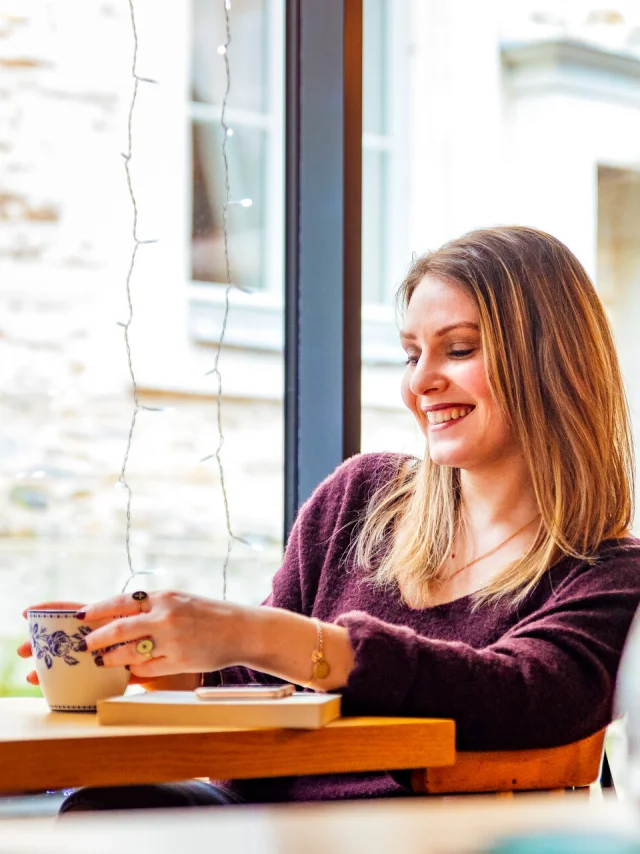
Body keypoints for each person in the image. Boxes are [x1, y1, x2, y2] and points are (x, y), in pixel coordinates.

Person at [19, 225, 640, 810]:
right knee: (107, 808)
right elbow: (257, 682)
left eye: (458, 349)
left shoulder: (610, 577)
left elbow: (522, 695)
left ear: (549, 362)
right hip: (262, 822)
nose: (420, 382)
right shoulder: (361, 497)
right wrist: (161, 651)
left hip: (421, 842)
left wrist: (254, 632)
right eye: (410, 354)